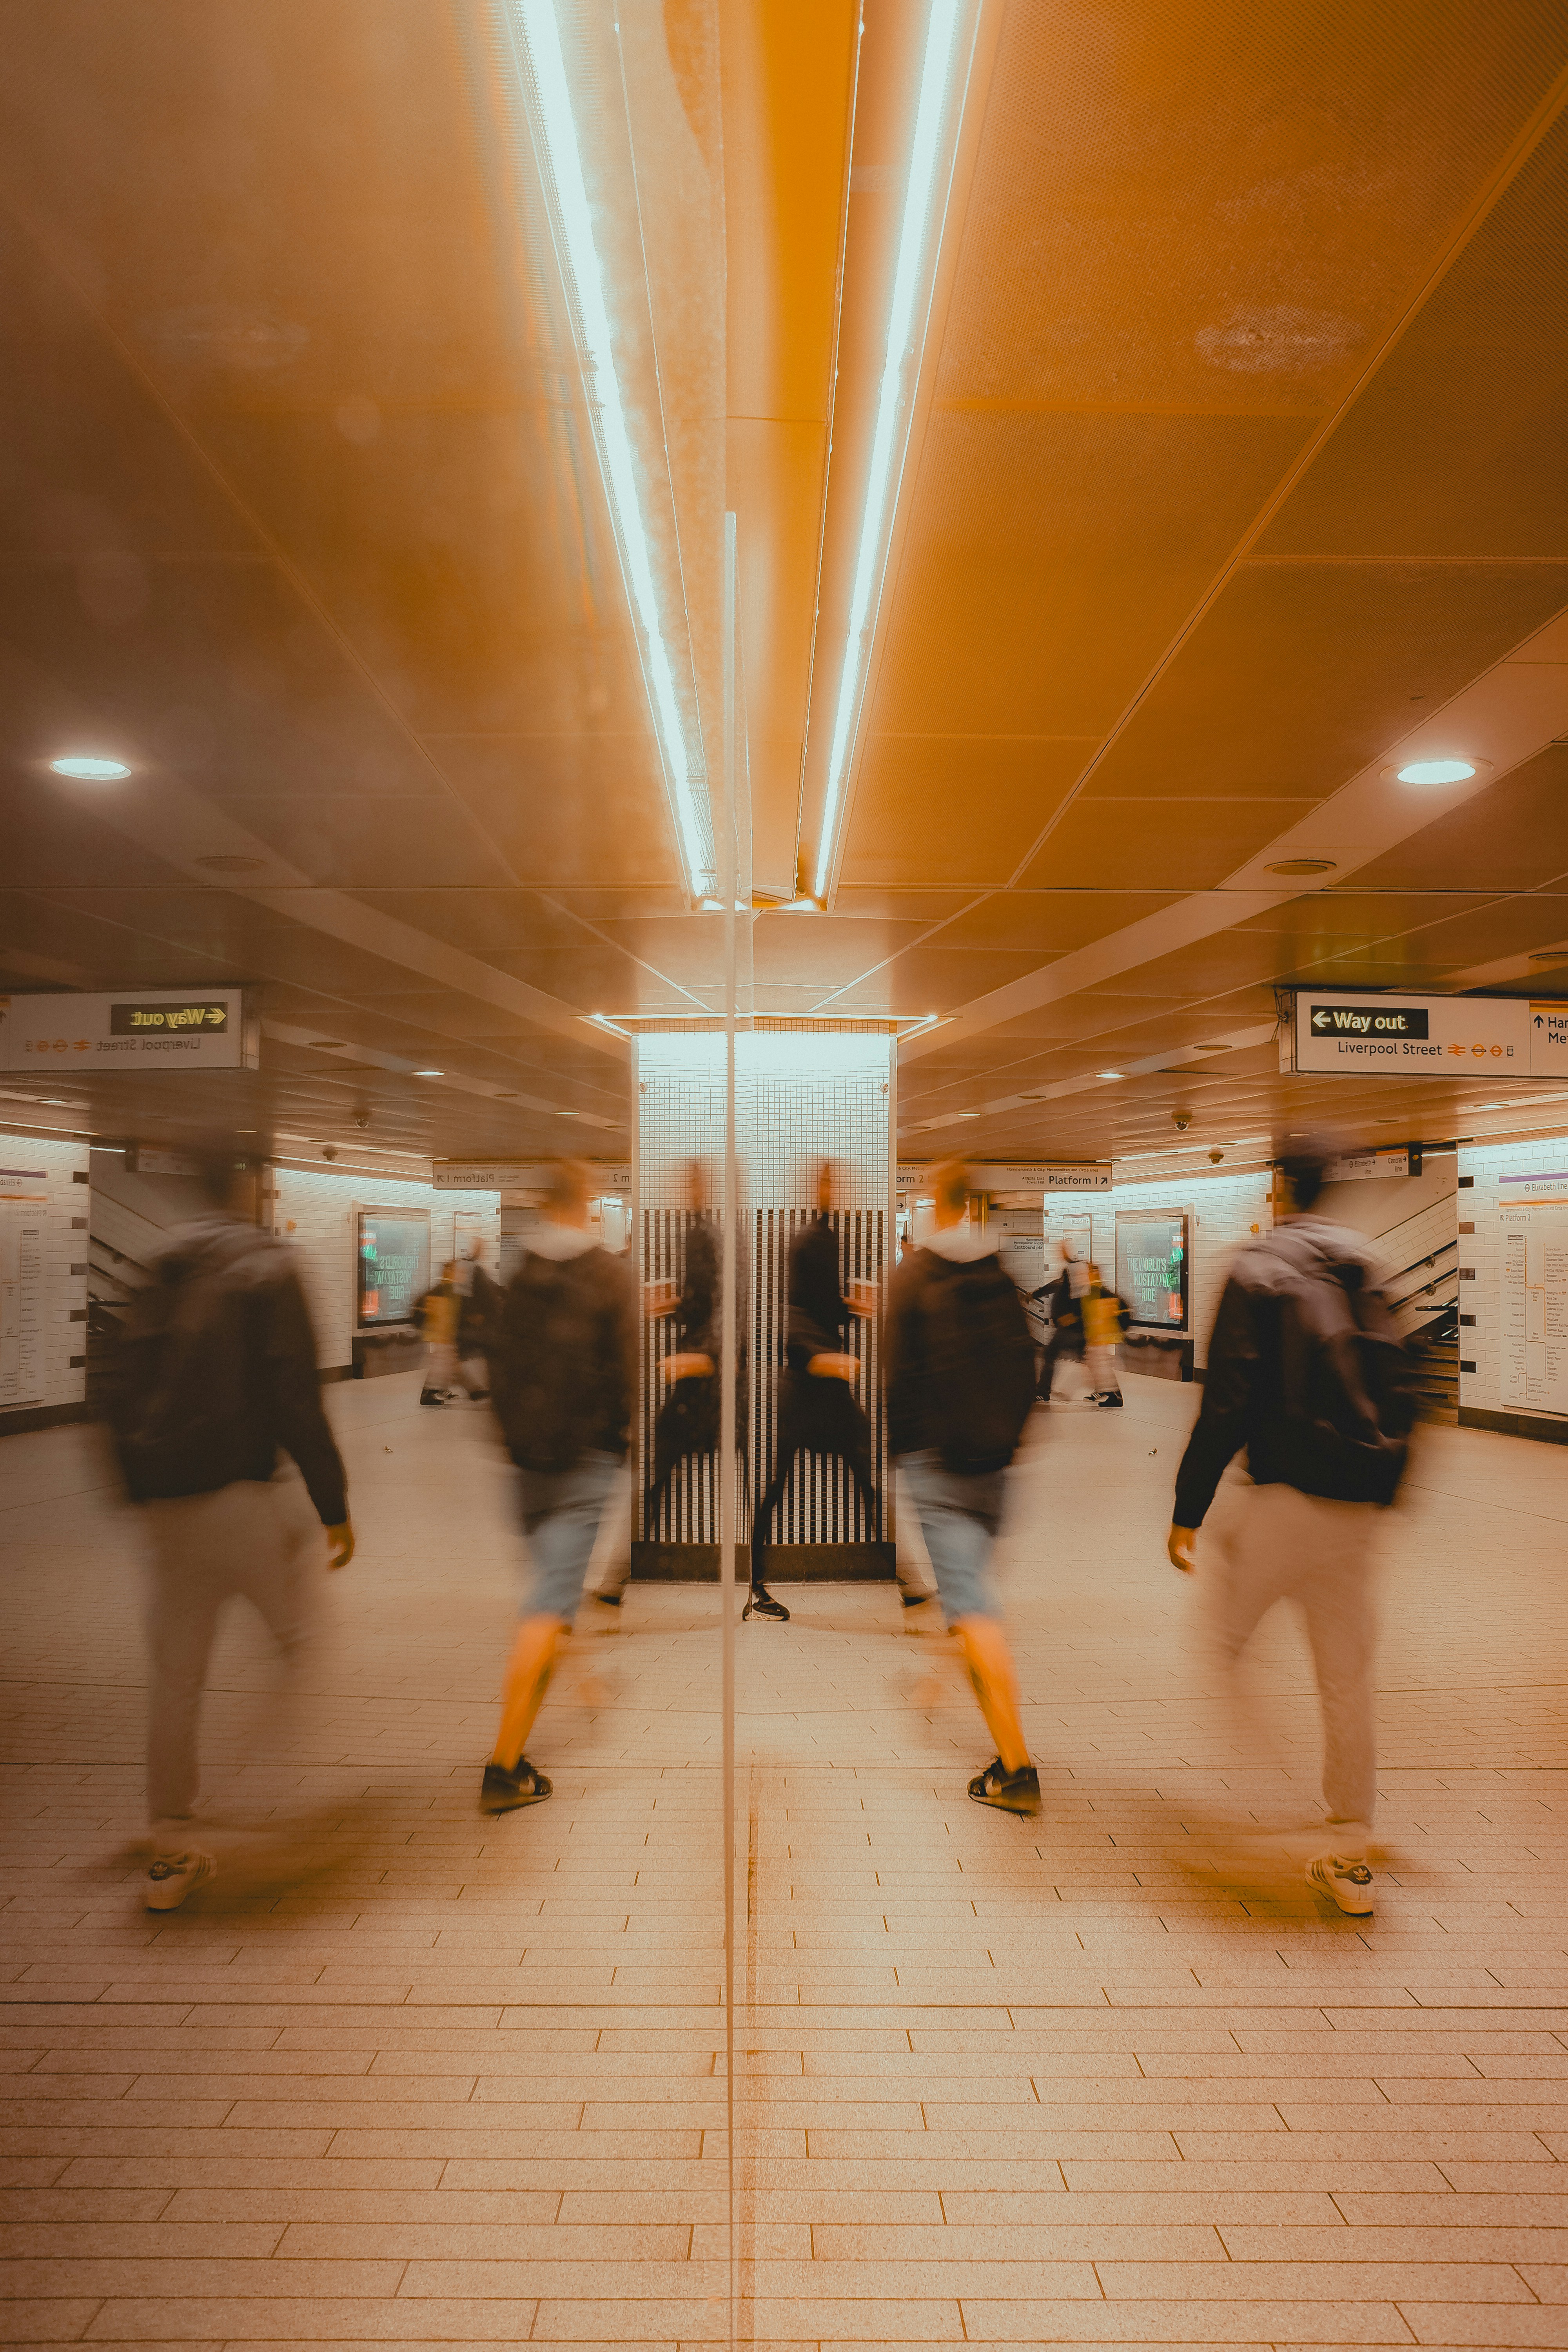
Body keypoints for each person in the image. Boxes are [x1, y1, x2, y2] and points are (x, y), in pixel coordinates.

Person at [1167, 1142, 1419, 1916]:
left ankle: (1279, 1812)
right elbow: (1409, 1385)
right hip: (1355, 1506)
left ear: (1277, 1190)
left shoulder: (1255, 1268)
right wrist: (1388, 1496)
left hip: (1284, 1498)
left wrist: (1187, 1510)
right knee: (1345, 1680)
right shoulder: (1367, 1266)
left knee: (1227, 1648)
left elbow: (1226, 1401)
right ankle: (1347, 1853)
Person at [107, 1147, 355, 1911]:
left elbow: (112, 1385)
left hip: (167, 1507)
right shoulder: (270, 1267)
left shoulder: (156, 1267)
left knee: (175, 1677)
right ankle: (249, 1804)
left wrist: (135, 1493)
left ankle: (170, 1842)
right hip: (241, 1499)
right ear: (252, 1190)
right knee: (292, 1648)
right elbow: (295, 1398)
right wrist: (332, 1505)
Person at [884, 1158, 1040, 1812]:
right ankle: (942, 1680)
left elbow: (895, 1370)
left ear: (933, 1202)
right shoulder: (1000, 1273)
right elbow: (1029, 1364)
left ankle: (1017, 1767)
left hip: (937, 1460)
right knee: (972, 1584)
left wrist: (903, 1452)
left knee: (973, 1605)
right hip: (997, 1462)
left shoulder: (914, 1273)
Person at [484, 1160, 637, 1810]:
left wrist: (513, 1442)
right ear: (589, 1207)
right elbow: (628, 1367)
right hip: (585, 1458)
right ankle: (504, 1765)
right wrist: (619, 1438)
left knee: (552, 1580)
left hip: (527, 1463)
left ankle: (579, 1681)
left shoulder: (520, 1274)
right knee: (548, 1603)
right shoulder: (610, 1273)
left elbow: (496, 1363)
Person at [747, 1160, 885, 1623]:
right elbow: (794, 1316)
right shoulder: (810, 1240)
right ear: (817, 1188)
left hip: (821, 1388)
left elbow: (820, 1310)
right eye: (829, 1182)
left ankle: (897, 1578)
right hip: (810, 1388)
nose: (835, 1189)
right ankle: (756, 1583)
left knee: (861, 1473)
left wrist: (853, 1308)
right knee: (784, 1483)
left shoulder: (826, 1237)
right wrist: (820, 1353)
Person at [1033, 1247, 1087, 1403]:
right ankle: (1109, 1390)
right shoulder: (1065, 1283)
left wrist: (1068, 1257)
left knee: (1050, 1355)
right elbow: (1052, 1286)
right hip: (1069, 1328)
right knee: (1088, 1360)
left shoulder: (1078, 1286)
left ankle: (1043, 1390)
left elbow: (1078, 1305)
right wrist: (1035, 1294)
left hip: (1070, 1328)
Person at [1081, 1261, 1128, 1406]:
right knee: (1096, 1365)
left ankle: (1115, 1395)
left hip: (1100, 1336)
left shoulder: (1096, 1291)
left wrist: (1096, 1336)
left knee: (1100, 1366)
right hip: (1098, 1336)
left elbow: (1099, 1316)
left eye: (1089, 1273)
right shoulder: (1093, 1290)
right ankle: (1106, 1392)